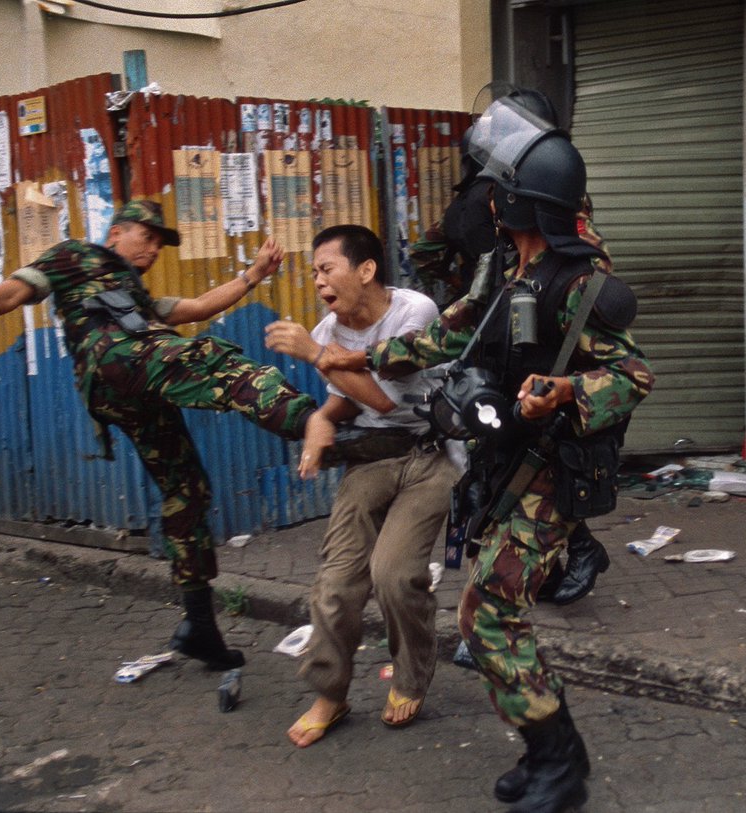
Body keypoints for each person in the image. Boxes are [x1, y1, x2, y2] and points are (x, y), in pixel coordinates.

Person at [317, 103, 653, 811]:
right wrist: (364, 355)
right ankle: (543, 751)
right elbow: (451, 341)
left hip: (555, 468)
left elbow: (632, 377)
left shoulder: (578, 284)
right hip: (506, 458)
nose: (487, 201)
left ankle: (562, 765)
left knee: (487, 613)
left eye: (499, 190)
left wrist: (566, 390)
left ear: (522, 202)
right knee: (484, 610)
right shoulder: (503, 265)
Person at [0, 199, 317, 671]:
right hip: (117, 362)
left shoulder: (133, 293)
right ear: (116, 232)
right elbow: (10, 295)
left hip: (128, 383)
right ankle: (314, 425)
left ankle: (200, 626)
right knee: (210, 360)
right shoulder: (74, 255)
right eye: (148, 235)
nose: (154, 247)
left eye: (161, 242)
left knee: (187, 492)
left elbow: (197, 306)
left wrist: (253, 274)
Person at [409, 88, 614, 608]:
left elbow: (588, 272)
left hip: (543, 345)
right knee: (496, 466)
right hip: (494, 339)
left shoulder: (535, 201)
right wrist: (480, 297)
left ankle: (547, 568)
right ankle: (509, 583)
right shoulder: (491, 196)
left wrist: (535, 296)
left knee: (539, 459)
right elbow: (431, 249)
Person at [263, 224, 459, 747]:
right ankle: (330, 692)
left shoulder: (413, 312)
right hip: (373, 458)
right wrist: (321, 418)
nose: (319, 282)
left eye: (327, 269)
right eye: (314, 273)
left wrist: (312, 355)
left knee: (394, 574)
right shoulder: (327, 331)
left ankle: (412, 675)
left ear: (366, 270)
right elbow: (350, 398)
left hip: (432, 453)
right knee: (336, 583)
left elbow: (387, 398)